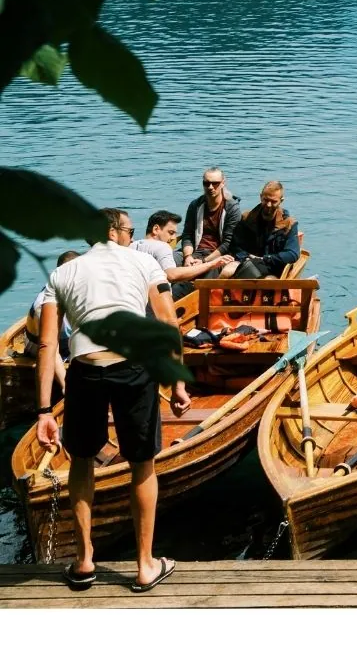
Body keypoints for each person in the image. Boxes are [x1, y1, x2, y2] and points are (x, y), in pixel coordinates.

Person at [34, 208, 190, 593]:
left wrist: (42, 412)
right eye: (129, 229)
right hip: (132, 369)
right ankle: (144, 566)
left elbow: (48, 343)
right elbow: (168, 322)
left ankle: (85, 561)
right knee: (142, 464)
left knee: (82, 463)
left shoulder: (62, 273)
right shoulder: (143, 262)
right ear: (112, 231)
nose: (131, 235)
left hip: (85, 371)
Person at [132, 210, 232, 299]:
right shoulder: (162, 247)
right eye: (171, 233)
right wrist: (211, 264)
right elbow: (171, 275)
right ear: (156, 229)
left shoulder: (132, 246)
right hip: (159, 304)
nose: (173, 238)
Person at [24, 251, 79, 403]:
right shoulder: (43, 306)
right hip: (42, 349)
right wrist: (66, 387)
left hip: (65, 344)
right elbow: (49, 349)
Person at [220, 181, 299, 279]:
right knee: (226, 272)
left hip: (273, 267)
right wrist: (246, 257)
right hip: (246, 262)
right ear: (260, 197)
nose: (269, 205)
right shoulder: (246, 218)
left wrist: (266, 259)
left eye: (274, 201)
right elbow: (235, 246)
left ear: (281, 201)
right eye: (265, 200)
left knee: (267, 281)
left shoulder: (289, 224)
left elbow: (292, 254)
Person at [179, 167, 241, 268]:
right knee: (168, 259)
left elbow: (228, 243)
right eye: (206, 183)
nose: (210, 187)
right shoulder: (195, 205)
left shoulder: (232, 208)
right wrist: (188, 256)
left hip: (218, 255)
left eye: (215, 183)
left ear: (223, 183)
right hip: (195, 252)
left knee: (208, 270)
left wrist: (204, 261)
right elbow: (187, 235)